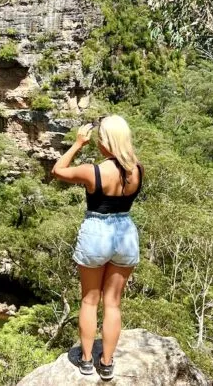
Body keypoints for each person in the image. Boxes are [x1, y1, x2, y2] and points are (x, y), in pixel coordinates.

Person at [50, 115, 143, 381]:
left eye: (101, 138)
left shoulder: (94, 171)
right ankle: (107, 363)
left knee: (90, 300)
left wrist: (78, 143)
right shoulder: (137, 169)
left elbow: (58, 170)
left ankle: (88, 360)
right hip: (125, 233)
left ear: (106, 142)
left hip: (96, 233)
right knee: (113, 303)